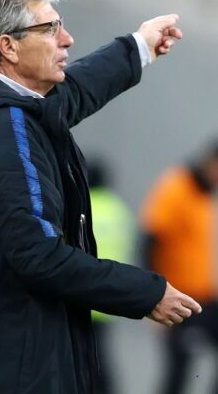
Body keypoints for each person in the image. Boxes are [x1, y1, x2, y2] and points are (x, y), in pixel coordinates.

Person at [0, 0, 202, 394]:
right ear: (9, 47)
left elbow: (76, 90)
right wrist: (147, 293)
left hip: (12, 361)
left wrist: (139, 46)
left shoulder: (9, 106)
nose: (67, 39)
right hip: (10, 374)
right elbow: (41, 257)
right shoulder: (6, 131)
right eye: (50, 28)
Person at [141, 140, 218, 394]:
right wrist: (151, 297)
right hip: (178, 298)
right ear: (213, 164)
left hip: (207, 297)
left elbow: (196, 250)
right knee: (180, 370)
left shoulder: (208, 196)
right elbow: (150, 243)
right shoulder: (176, 188)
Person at [87, 158, 135, 394]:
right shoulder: (120, 210)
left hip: (80, 295)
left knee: (83, 356)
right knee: (100, 355)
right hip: (110, 296)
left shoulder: (82, 206)